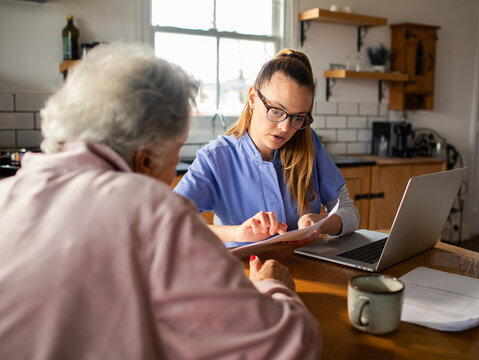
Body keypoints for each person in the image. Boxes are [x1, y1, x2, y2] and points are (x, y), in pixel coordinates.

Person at [0, 43, 321, 359]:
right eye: (177, 150)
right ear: (146, 159)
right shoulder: (153, 213)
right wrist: (272, 286)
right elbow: (293, 346)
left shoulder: (6, 193)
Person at [174, 49, 359, 246]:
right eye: (277, 111)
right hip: (244, 273)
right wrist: (237, 233)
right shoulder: (215, 159)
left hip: (305, 268)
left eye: (298, 117)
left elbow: (349, 212)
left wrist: (321, 224)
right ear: (253, 98)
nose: (285, 127)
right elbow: (170, 223)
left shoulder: (308, 143)